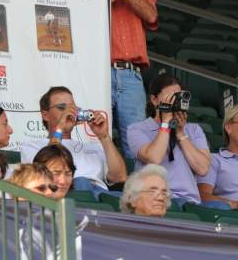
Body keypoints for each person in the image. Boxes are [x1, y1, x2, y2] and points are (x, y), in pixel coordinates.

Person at [76, 0, 158, 159]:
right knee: (92, 138)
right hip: (95, 72)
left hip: (130, 76)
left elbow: (151, 16)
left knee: (135, 144)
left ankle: (137, 191)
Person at [20, 86, 126, 199]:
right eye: (62, 107)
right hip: (68, 195)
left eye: (73, 108)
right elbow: (46, 172)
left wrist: (104, 136)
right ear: (45, 115)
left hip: (101, 196)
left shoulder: (92, 146)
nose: (68, 112)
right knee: (81, 182)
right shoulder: (31, 147)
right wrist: (59, 128)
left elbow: (119, 178)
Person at [128, 73, 210, 206]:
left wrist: (180, 133)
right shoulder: (137, 129)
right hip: (155, 200)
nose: (175, 102)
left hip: (189, 202)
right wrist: (166, 122)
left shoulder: (194, 130)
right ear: (154, 100)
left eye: (178, 96)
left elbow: (203, 169)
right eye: (170, 97)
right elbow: (154, 158)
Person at [197, 105, 238, 209]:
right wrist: (235, 204)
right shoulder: (214, 160)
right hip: (229, 219)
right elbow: (203, 196)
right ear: (228, 128)